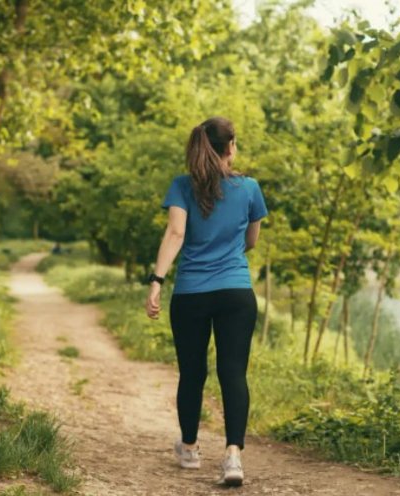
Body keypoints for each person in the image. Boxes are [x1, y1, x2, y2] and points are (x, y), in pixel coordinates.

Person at [144, 116, 267, 487]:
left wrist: (156, 280)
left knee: (193, 372)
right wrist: (227, 250)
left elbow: (176, 232)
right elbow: (251, 241)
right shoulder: (249, 188)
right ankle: (232, 456)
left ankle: (191, 448)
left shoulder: (182, 187)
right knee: (233, 372)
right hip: (236, 293)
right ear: (231, 147)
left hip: (191, 294)